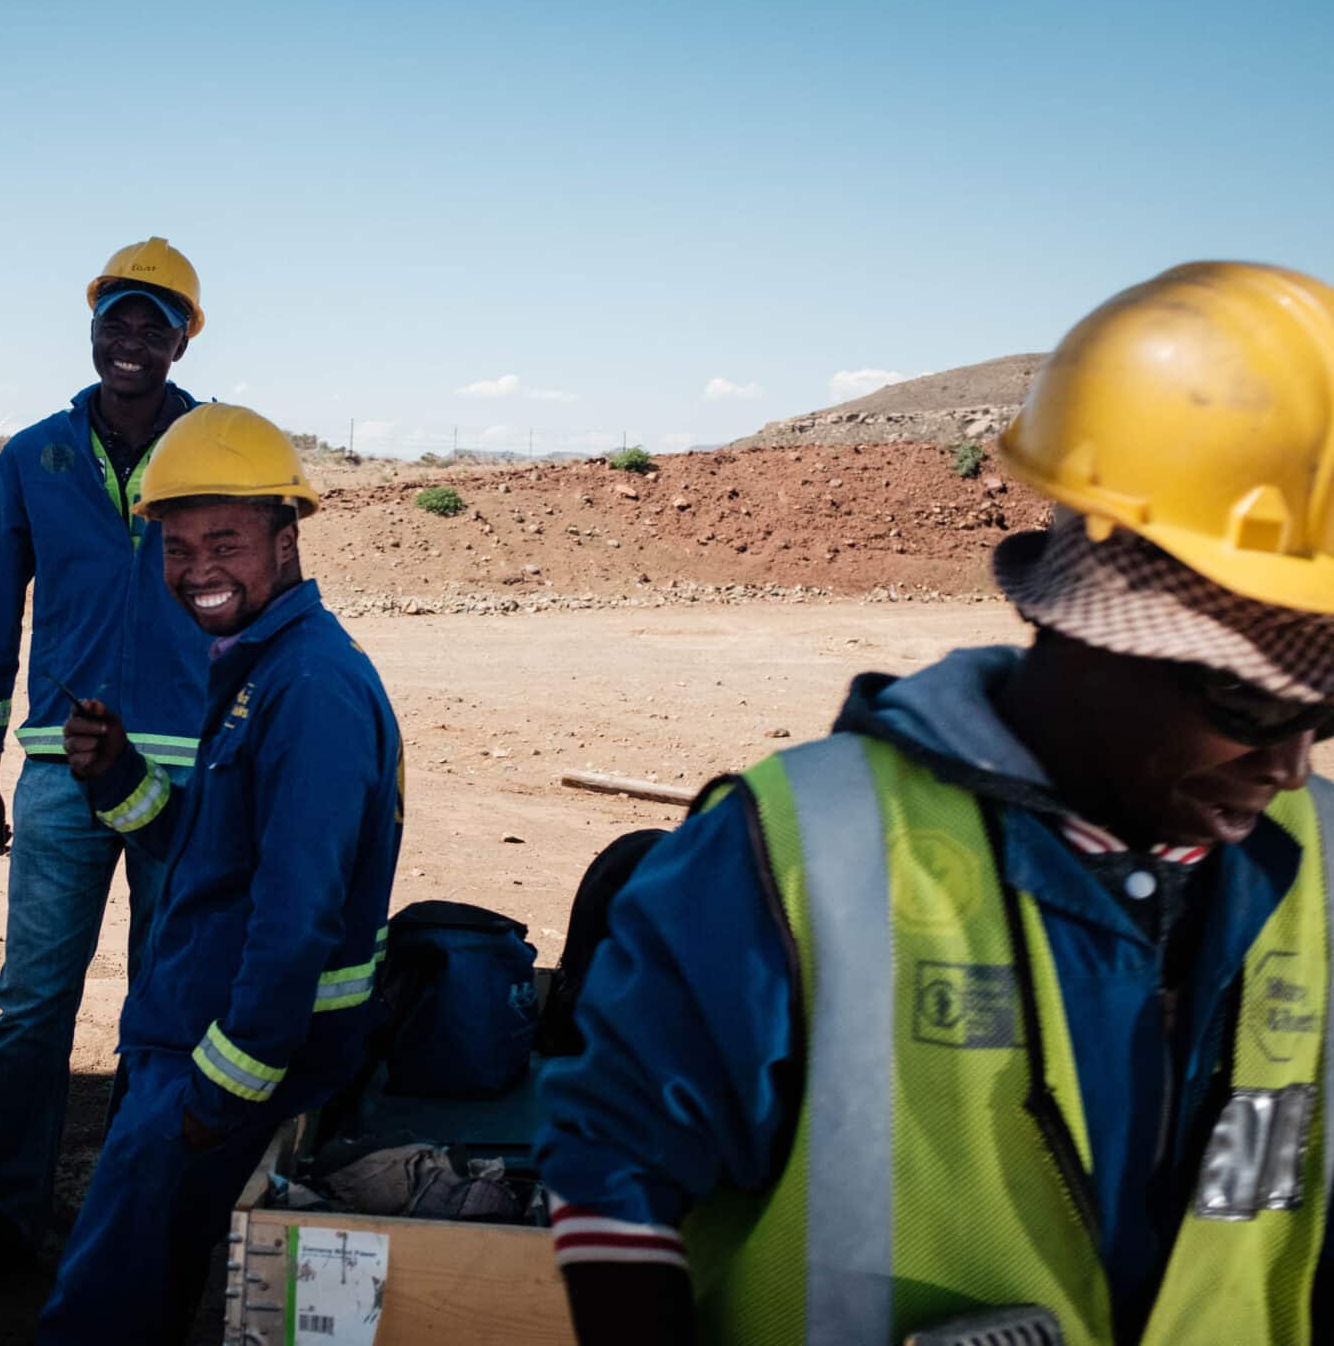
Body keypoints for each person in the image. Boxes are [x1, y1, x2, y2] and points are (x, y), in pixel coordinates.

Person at [535, 260, 1334, 1345]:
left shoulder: (1317, 862)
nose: (1288, 767)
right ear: (1087, 609)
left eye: (1324, 712)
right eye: (1247, 697)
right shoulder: (805, 852)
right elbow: (615, 1166)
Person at [0, 238, 219, 1289]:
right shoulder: (35, 456)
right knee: (33, 1000)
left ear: (181, 338)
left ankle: (137, 1215)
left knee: (165, 1006)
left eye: (153, 323)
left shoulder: (216, 454)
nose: (131, 339)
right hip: (62, 770)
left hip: (189, 777)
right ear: (93, 330)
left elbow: (253, 606)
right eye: (116, 318)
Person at [36, 404, 403, 1344]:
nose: (197, 567)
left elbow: (295, 919)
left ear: (286, 540)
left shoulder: (309, 688)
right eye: (177, 545)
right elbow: (212, 855)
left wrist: (215, 1097)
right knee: (140, 1292)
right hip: (195, 1037)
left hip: (223, 1058)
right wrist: (117, 772)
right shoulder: (255, 667)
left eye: (226, 541)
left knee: (103, 1311)